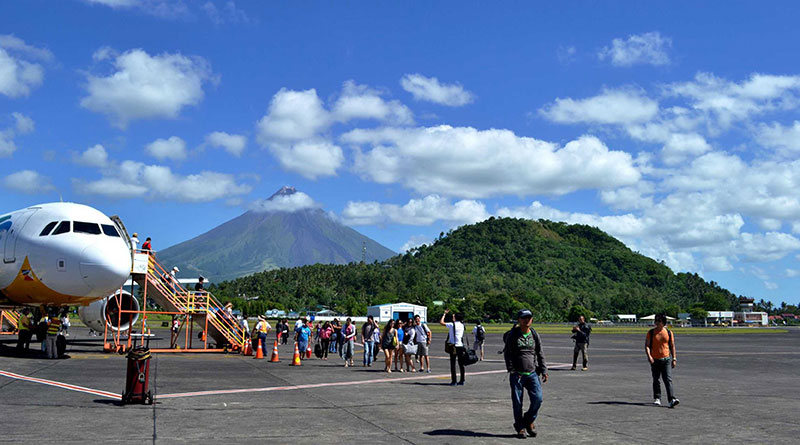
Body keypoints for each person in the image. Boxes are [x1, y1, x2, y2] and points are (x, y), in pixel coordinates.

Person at [504, 309, 548, 439]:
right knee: (517, 403)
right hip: (517, 375)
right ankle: (520, 427)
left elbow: (540, 353)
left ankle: (528, 420)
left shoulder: (534, 334)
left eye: (529, 317)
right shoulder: (513, 335)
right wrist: (511, 369)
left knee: (538, 399)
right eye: (524, 318)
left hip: (532, 373)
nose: (527, 320)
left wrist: (544, 370)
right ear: (519, 320)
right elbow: (507, 353)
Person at [645, 313, 679, 408]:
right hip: (655, 360)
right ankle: (657, 398)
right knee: (656, 379)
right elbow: (647, 345)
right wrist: (649, 356)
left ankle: (671, 399)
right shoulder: (651, 333)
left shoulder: (668, 332)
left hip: (666, 359)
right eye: (655, 321)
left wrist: (674, 358)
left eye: (658, 321)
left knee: (668, 379)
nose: (656, 323)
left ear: (663, 322)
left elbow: (672, 346)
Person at [440, 309, 466, 385]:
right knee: (461, 364)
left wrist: (444, 314)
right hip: (460, 345)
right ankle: (462, 380)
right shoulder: (462, 325)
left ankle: (454, 381)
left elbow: (441, 322)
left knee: (453, 364)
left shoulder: (452, 325)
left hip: (453, 346)